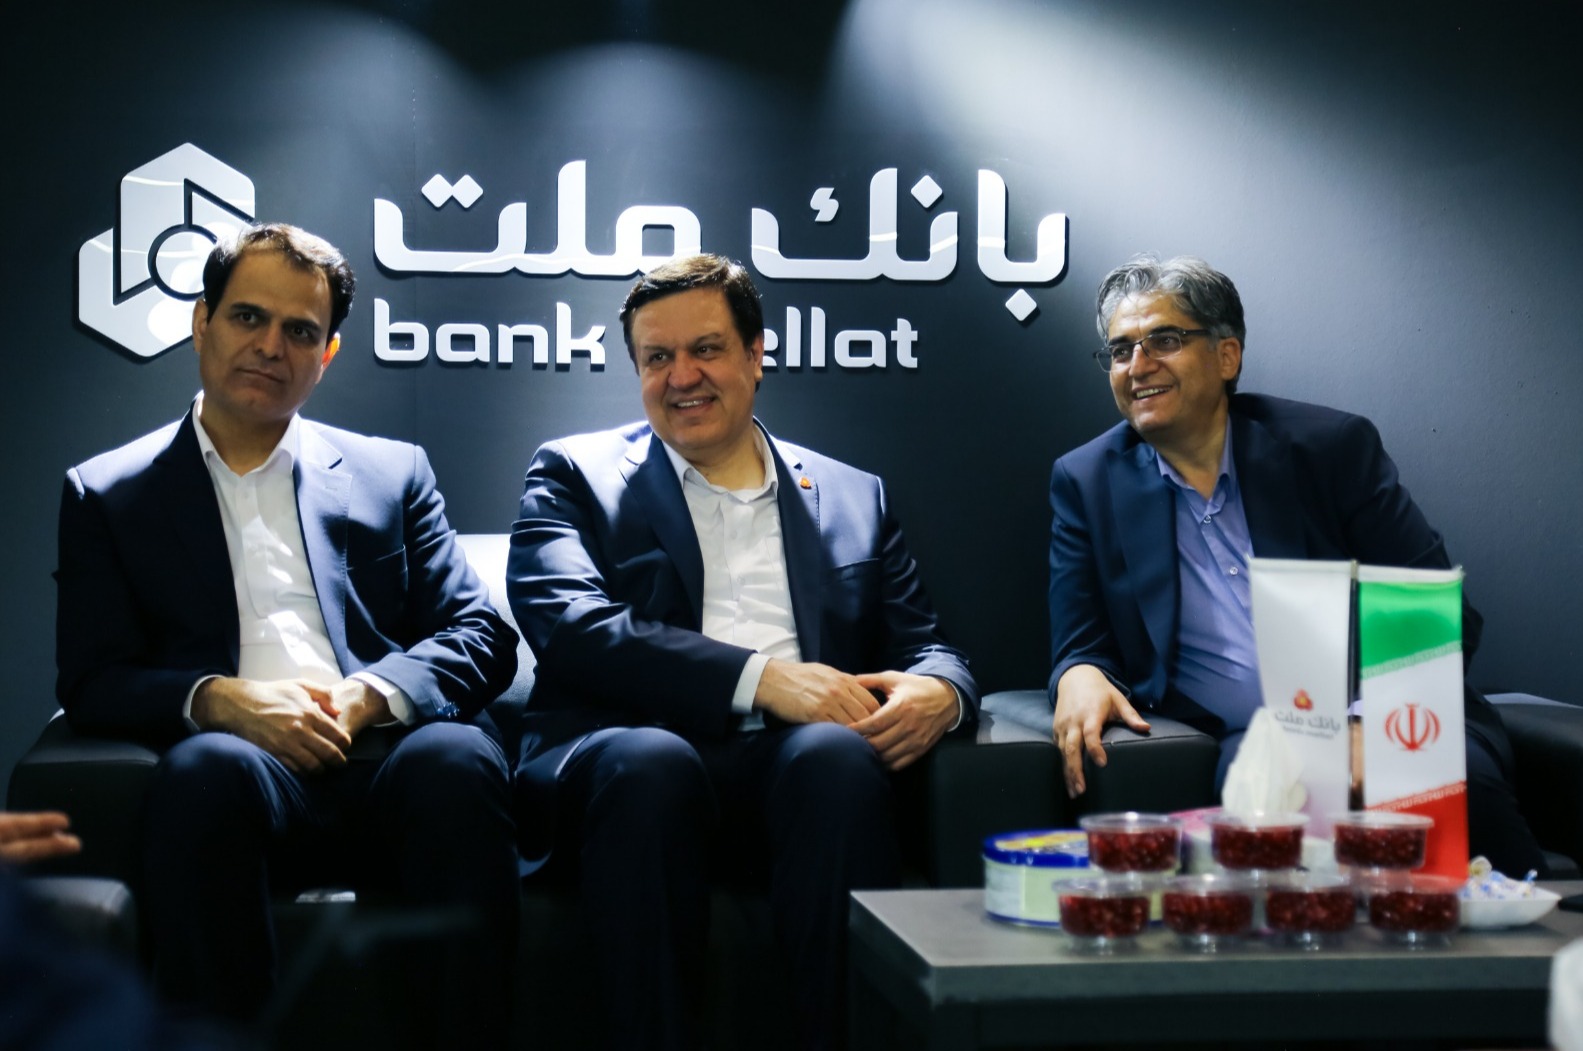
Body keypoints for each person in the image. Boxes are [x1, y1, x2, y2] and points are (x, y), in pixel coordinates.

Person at [55, 223, 522, 1046]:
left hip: (389, 756)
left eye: (300, 331)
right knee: (206, 770)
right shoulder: (108, 493)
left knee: (458, 760)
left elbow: (481, 631)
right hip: (240, 768)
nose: (271, 346)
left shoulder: (391, 473)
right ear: (201, 322)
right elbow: (92, 677)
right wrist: (218, 700)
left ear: (327, 353)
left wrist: (370, 694)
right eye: (248, 317)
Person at [507, 254, 978, 1050]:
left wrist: (944, 691)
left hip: (798, 765)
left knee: (835, 756)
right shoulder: (573, 473)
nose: (681, 376)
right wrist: (761, 679)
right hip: (630, 756)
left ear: (757, 354)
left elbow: (924, 643)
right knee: (652, 761)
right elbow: (570, 623)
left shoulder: (851, 493)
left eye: (706, 349)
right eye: (657, 357)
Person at [1047, 252, 1547, 876]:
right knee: (1269, 820)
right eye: (1121, 350)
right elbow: (1080, 638)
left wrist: (1364, 727)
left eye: (1165, 341)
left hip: (1395, 714)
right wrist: (1080, 672)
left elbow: (1433, 611)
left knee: (1426, 781)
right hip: (1255, 740)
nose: (1138, 365)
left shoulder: (1328, 449)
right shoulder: (1087, 479)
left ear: (1227, 356)